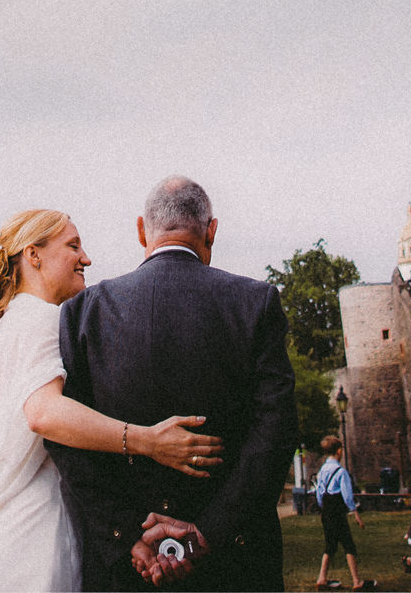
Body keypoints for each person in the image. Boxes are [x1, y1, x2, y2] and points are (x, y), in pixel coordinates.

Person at [0, 209, 224, 592]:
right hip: (35, 541)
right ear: (33, 255)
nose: (86, 258)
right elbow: (42, 413)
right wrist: (148, 441)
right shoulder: (43, 317)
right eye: (73, 246)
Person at [50, 176, 299, 590]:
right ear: (211, 230)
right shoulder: (256, 302)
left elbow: (67, 441)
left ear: (142, 230)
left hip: (126, 572)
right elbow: (275, 432)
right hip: (235, 565)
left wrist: (126, 536)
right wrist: (208, 532)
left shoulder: (82, 313)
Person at [313, 435, 375, 591]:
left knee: (330, 545)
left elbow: (319, 493)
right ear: (339, 451)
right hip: (337, 510)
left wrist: (323, 507)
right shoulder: (341, 472)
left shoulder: (322, 470)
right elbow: (347, 496)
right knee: (348, 545)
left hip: (326, 511)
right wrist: (355, 513)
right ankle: (356, 581)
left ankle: (321, 578)